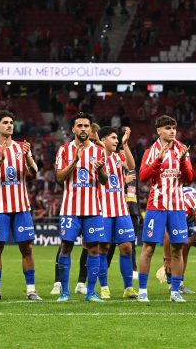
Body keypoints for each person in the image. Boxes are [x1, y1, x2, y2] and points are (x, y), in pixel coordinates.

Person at [0, 110, 41, 301]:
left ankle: (31, 290)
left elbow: (34, 172)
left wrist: (29, 156)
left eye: (11, 122)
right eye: (5, 122)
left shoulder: (22, 147)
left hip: (22, 207)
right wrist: (0, 160)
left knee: (27, 248)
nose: (9, 125)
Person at [137, 115, 195, 303]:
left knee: (177, 249)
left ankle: (175, 291)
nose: (172, 131)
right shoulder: (151, 151)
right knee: (148, 248)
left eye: (174, 128)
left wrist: (185, 160)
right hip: (157, 206)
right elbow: (143, 177)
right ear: (159, 131)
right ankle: (143, 291)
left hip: (178, 207)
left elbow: (189, 178)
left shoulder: (182, 150)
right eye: (168, 128)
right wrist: (158, 161)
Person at [55, 112, 108, 303]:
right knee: (66, 247)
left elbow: (105, 181)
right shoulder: (64, 150)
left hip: (93, 209)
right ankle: (64, 292)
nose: (83, 129)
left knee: (93, 250)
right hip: (70, 209)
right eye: (80, 126)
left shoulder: (99, 151)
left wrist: (101, 170)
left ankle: (91, 293)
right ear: (73, 129)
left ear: (90, 128)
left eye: (86, 126)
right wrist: (75, 161)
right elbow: (59, 177)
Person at [97, 126, 137, 299]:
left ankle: (128, 288)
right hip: (103, 210)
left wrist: (126, 145)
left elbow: (132, 166)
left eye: (117, 138)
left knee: (127, 247)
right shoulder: (96, 156)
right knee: (103, 248)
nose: (116, 140)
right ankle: (104, 287)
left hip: (121, 209)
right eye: (113, 138)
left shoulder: (119, 156)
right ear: (103, 140)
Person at [160, 186, 196, 294]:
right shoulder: (183, 209)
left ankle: (179, 284)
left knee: (186, 248)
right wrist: (167, 259)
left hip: (189, 205)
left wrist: (194, 238)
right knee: (176, 247)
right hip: (172, 204)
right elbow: (167, 234)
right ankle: (171, 280)